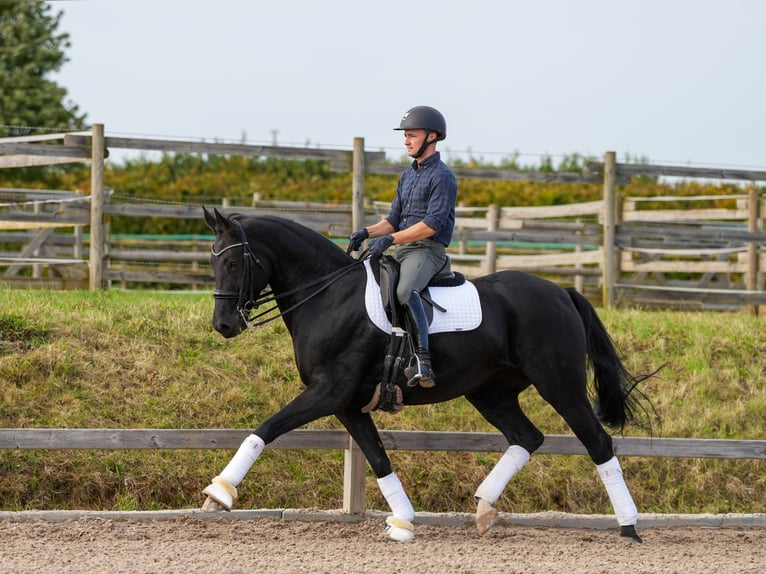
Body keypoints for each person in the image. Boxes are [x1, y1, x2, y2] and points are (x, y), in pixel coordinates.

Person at [348, 105, 457, 388]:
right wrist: (366, 232)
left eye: (412, 135)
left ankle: (423, 360)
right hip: (404, 248)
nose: (406, 141)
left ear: (432, 137)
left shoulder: (443, 177)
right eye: (405, 135)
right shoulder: (408, 175)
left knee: (405, 290)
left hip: (427, 250)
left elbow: (432, 224)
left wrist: (391, 239)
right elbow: (393, 220)